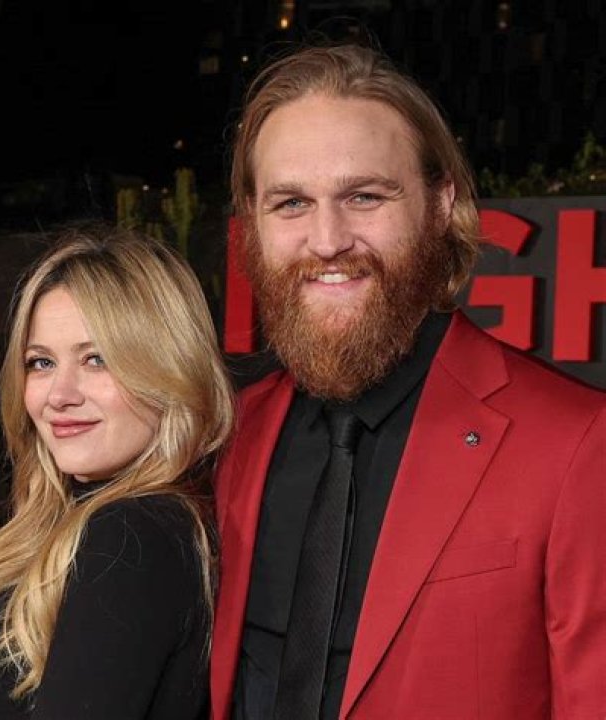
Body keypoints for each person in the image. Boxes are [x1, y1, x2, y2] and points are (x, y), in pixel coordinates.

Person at [210, 42, 606, 720]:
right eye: (291, 203)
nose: (327, 240)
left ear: (439, 202)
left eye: (364, 196)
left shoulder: (576, 445)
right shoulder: (229, 432)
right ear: (251, 222)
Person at [0, 227, 234, 719]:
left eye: (96, 360)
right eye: (41, 362)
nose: (59, 395)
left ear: (168, 371)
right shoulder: (71, 524)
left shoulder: (133, 534)